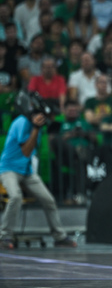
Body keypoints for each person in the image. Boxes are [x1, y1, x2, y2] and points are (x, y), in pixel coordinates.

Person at [0, 96, 77, 249]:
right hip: (9, 169)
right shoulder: (22, 122)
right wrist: (35, 128)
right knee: (15, 196)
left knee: (48, 200)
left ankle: (59, 237)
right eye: (47, 117)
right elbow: (26, 151)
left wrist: (38, 128)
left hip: (27, 171)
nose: (49, 120)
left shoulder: (39, 127)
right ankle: (4, 236)